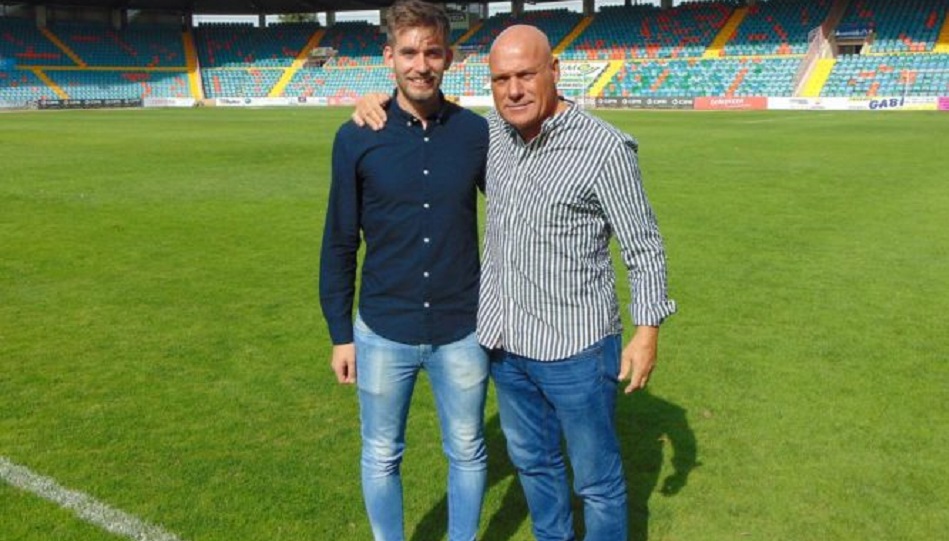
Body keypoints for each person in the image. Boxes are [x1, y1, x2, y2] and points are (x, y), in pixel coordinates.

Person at [352, 24, 676, 541]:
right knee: (536, 469)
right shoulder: (492, 136)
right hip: (506, 348)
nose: (515, 90)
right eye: (502, 79)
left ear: (554, 71)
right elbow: (427, 115)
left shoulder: (605, 147)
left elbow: (643, 244)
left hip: (579, 348)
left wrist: (647, 330)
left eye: (526, 75)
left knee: (596, 482)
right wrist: (378, 101)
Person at [318, 2, 490, 541]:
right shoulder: (356, 137)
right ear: (389, 57)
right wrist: (340, 334)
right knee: (380, 453)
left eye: (432, 52)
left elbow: (521, 210)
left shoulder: (475, 133)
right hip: (381, 330)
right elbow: (340, 240)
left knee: (466, 450)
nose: (421, 64)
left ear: (450, 58)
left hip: (462, 329)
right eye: (410, 52)